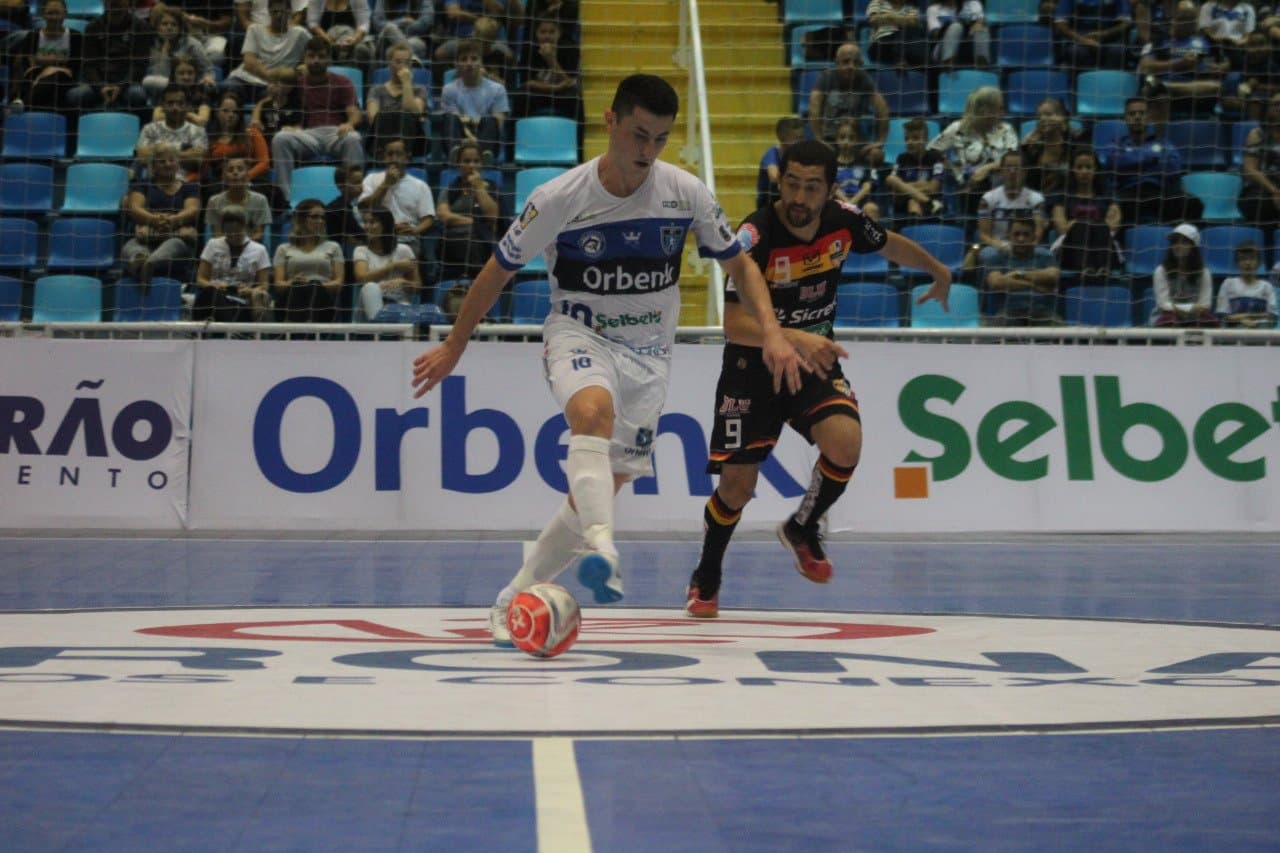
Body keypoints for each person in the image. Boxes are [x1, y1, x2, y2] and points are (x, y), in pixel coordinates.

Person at [409, 74, 808, 644]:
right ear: (611, 122)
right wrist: (455, 344)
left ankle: (514, 593)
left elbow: (741, 266)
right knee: (591, 415)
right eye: (639, 136)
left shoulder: (685, 192)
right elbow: (497, 270)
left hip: (650, 357)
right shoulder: (558, 199)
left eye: (660, 140)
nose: (647, 152)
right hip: (579, 335)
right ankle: (604, 546)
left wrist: (771, 332)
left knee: (599, 484)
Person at [686, 139, 953, 617]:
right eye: (791, 184)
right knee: (737, 490)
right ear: (778, 181)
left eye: (812, 188)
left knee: (846, 442)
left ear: (830, 191)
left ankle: (802, 528)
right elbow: (733, 325)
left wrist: (936, 268)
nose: (799, 198)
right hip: (752, 368)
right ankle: (707, 576)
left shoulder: (844, 221)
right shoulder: (755, 234)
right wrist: (793, 337)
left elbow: (887, 241)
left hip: (812, 363)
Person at [271, 37, 366, 204]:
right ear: (305, 58)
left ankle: (354, 201)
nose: (316, 61)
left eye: (321, 56)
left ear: (329, 58)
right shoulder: (298, 84)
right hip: (307, 135)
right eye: (311, 56)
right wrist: (292, 128)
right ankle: (285, 199)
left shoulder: (343, 82)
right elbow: (275, 99)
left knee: (353, 138)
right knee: (280, 138)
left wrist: (349, 124)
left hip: (335, 133)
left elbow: (355, 112)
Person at [1103, 96, 1203, 224]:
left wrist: (1133, 162)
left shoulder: (1163, 143)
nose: (1137, 117)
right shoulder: (1116, 144)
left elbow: (1174, 166)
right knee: (1110, 207)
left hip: (1159, 192)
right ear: (1125, 118)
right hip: (1128, 193)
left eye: (1142, 113)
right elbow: (1114, 163)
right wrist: (1152, 158)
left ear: (1148, 117)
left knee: (1194, 204)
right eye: (1132, 113)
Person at [928, 86, 1019, 218]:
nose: (1003, 113)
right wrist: (953, 168)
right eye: (1000, 108)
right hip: (968, 190)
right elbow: (932, 150)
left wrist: (987, 168)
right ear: (985, 110)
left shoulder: (1006, 129)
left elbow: (1015, 157)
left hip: (1001, 188)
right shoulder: (957, 128)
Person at [122, 144, 201, 286]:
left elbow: (192, 210)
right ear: (153, 166)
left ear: (178, 164)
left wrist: (171, 220)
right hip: (156, 237)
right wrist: (155, 220)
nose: (168, 164)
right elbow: (134, 208)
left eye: (172, 160)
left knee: (174, 244)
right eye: (162, 161)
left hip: (173, 241)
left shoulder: (190, 187)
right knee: (131, 247)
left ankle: (150, 263)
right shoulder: (142, 185)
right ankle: (141, 262)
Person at [1138, 0, 1230, 120]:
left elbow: (1226, 63)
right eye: (1183, 18)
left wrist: (1219, 68)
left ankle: (1167, 86)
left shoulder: (1207, 41)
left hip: (1198, 93)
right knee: (1151, 85)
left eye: (1191, 18)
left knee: (1216, 87)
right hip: (1167, 97)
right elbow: (1145, 66)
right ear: (1173, 18)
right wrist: (1180, 64)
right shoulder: (1159, 40)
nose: (1188, 22)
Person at [357, 137, 436, 265]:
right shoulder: (371, 179)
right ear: (383, 158)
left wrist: (415, 230)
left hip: (407, 240)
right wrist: (385, 184)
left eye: (399, 154)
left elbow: (428, 218)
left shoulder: (420, 185)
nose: (394, 158)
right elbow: (363, 207)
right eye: (390, 154)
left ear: (407, 158)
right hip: (377, 239)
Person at [1051, 148, 1125, 283]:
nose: (1084, 171)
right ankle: (1085, 269)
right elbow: (1062, 228)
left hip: (1102, 246)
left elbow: (1113, 226)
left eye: (1088, 167)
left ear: (1095, 169)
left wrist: (1075, 223)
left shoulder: (1107, 197)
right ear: (1072, 170)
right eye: (1079, 167)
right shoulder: (1062, 197)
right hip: (1071, 250)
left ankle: (1103, 269)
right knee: (1082, 226)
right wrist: (1084, 224)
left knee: (1094, 226)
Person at [67, 0, 153, 114]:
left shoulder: (141, 27)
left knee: (138, 96)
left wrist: (121, 86)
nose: (114, 1)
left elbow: (139, 65)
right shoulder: (92, 27)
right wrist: (101, 87)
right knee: (74, 96)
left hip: (127, 84)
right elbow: (89, 65)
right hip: (98, 84)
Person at [806, 42, 889, 159]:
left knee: (876, 156)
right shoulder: (826, 77)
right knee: (816, 157)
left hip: (853, 139)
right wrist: (819, 140)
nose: (851, 66)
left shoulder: (864, 78)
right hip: (829, 139)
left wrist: (881, 141)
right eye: (846, 61)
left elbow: (883, 109)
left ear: (861, 64)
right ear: (837, 63)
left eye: (856, 62)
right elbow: (814, 108)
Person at [193, 204, 274, 322]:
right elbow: (200, 279)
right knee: (210, 294)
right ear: (222, 229)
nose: (233, 236)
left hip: (242, 299)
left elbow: (264, 285)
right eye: (228, 232)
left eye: (237, 232)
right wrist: (214, 285)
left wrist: (250, 291)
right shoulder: (212, 244)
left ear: (245, 227)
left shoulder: (259, 250)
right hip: (215, 295)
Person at [223, 0, 311, 105]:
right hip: (244, 80)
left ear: (289, 11)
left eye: (282, 11)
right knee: (228, 94)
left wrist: (302, 68)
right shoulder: (254, 29)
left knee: (275, 100)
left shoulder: (300, 34)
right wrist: (271, 77)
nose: (279, 15)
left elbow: (316, 51)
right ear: (269, 11)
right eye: (275, 11)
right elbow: (249, 62)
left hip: (275, 88)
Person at [979, 215, 1062, 326]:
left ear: (1034, 237)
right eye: (1016, 234)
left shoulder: (1045, 256)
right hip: (1008, 312)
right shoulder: (997, 258)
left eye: (1026, 235)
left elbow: (1053, 276)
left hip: (1042, 312)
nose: (1021, 239)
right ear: (1009, 236)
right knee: (991, 336)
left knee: (1065, 334)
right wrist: (1035, 285)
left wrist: (1018, 274)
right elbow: (996, 283)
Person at [273, 198, 344, 322]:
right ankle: (302, 332)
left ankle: (305, 332)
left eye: (322, 218)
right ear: (301, 219)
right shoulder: (283, 249)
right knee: (297, 288)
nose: (320, 221)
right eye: (314, 217)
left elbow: (338, 283)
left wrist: (314, 284)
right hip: (291, 296)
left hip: (323, 299)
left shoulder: (333, 247)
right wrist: (292, 282)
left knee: (314, 287)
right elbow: (278, 284)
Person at [437, 140, 499, 280]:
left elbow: (493, 216)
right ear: (459, 164)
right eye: (466, 161)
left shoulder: (491, 187)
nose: (472, 165)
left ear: (481, 164)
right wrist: (472, 221)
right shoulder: (450, 190)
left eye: (476, 161)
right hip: (455, 241)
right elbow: (443, 215)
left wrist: (479, 188)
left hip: (483, 242)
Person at [440, 37, 510, 160]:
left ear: (481, 62)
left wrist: (469, 121)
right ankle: (456, 154)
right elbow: (454, 122)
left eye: (474, 59)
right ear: (456, 64)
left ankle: (482, 156)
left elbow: (498, 123)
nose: (469, 63)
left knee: (490, 120)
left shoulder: (498, 89)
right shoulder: (449, 89)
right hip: (460, 140)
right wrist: (471, 139)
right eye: (464, 59)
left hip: (488, 139)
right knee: (450, 119)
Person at [9, 0, 81, 115]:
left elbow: (75, 64)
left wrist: (44, 63)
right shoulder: (34, 35)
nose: (54, 17)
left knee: (57, 77)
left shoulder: (75, 36)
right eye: (50, 13)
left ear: (65, 14)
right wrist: (58, 64)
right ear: (43, 14)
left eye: (57, 13)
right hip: (35, 76)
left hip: (62, 79)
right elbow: (28, 63)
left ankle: (22, 106)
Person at [353, 204, 421, 320]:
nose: (367, 227)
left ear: (385, 224)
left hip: (398, 301)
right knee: (370, 287)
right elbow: (361, 278)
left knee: (405, 310)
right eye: (365, 222)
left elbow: (418, 286)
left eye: (372, 222)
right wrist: (393, 266)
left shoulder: (404, 250)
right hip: (369, 306)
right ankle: (379, 327)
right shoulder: (361, 250)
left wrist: (404, 282)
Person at [365, 42, 430, 157]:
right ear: (390, 64)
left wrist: (406, 83)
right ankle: (389, 154)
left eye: (406, 62)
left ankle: (403, 154)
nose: (402, 66)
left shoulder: (420, 89)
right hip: (381, 143)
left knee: (407, 116)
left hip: (412, 144)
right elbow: (373, 118)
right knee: (382, 117)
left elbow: (414, 113)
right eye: (398, 62)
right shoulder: (376, 90)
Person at [143, 6, 217, 104]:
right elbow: (159, 77)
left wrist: (207, 79)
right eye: (164, 24)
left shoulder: (192, 44)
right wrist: (164, 54)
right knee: (148, 81)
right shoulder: (152, 45)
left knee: (209, 86)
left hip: (191, 84)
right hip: (165, 87)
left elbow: (208, 70)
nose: (169, 27)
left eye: (174, 24)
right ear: (157, 27)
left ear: (180, 28)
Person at [976, 150, 1047, 252]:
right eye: (1008, 168)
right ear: (1001, 171)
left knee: (1044, 253)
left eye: (1017, 168)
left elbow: (1038, 233)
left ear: (1025, 172)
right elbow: (984, 235)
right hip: (999, 247)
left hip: (1027, 247)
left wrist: (1025, 248)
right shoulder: (987, 199)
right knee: (988, 254)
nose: (1012, 171)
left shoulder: (1037, 199)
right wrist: (1001, 246)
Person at [136, 84, 209, 183]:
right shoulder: (149, 129)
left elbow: (197, 161)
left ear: (187, 105)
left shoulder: (198, 131)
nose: (175, 107)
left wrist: (159, 152)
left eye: (180, 103)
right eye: (170, 103)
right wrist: (183, 150)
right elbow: (143, 158)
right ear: (163, 105)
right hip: (152, 183)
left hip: (185, 185)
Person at [513, 15, 580, 119]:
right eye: (543, 32)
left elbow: (569, 82)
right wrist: (556, 87)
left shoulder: (570, 48)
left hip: (562, 94)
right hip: (537, 92)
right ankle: (514, 134)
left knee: (576, 99)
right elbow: (527, 82)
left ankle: (578, 134)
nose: (547, 36)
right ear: (536, 33)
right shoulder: (529, 49)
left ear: (559, 33)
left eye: (552, 32)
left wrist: (551, 60)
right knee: (520, 97)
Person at [1151, 222, 1218, 326]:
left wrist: (1188, 310)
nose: (1177, 246)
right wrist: (1189, 308)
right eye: (1174, 242)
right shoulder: (1161, 271)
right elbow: (1163, 304)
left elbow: (1205, 304)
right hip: (1168, 315)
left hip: (1195, 316)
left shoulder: (1204, 272)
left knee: (1210, 321)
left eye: (1184, 242)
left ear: (1193, 246)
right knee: (1169, 321)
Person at [1019, 97, 1084, 197]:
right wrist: (1025, 145)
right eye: (1039, 116)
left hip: (1069, 198)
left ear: (1062, 118)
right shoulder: (1033, 148)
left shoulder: (1075, 143)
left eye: (1049, 115)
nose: (1043, 119)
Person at [885, 116, 946, 218]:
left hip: (931, 199)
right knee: (890, 179)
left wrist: (904, 187)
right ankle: (929, 203)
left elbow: (934, 188)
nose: (910, 142)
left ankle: (927, 203)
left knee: (914, 202)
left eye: (915, 138)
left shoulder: (936, 157)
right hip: (904, 203)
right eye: (906, 138)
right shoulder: (902, 158)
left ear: (926, 139)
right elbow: (895, 191)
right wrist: (924, 184)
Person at [1239, 91, 1280, 233]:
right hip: (1261, 189)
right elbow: (1250, 170)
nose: (1279, 108)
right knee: (1259, 205)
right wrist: (1275, 191)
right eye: (1276, 104)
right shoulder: (1257, 134)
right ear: (1269, 108)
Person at [1053, 0, 1133, 70]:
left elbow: (1126, 23)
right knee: (1076, 52)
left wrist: (1104, 35)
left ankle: (1110, 84)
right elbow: (1060, 24)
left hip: (1110, 37)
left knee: (1117, 52)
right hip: (1079, 39)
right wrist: (1084, 41)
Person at [206, 157, 273, 242]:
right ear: (224, 178)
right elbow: (217, 234)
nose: (235, 172)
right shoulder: (214, 201)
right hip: (224, 247)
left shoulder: (260, 200)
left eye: (240, 169)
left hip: (250, 247)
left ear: (248, 176)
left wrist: (241, 245)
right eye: (230, 170)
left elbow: (259, 234)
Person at [1217, 240, 1278, 326]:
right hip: (1232, 334)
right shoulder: (1228, 284)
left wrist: (1246, 316)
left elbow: (1273, 316)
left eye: (1252, 258)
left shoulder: (1266, 286)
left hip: (1261, 332)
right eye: (1243, 259)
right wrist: (1242, 321)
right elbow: (1222, 315)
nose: (1247, 263)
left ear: (1259, 263)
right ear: (1237, 263)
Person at [832, 118, 882, 220]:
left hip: (860, 202)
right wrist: (847, 203)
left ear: (857, 140)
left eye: (851, 138)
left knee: (872, 208)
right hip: (837, 203)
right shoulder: (831, 163)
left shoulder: (864, 162)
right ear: (836, 139)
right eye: (842, 137)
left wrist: (853, 203)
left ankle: (871, 236)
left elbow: (868, 185)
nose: (846, 142)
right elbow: (833, 187)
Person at [757, 116, 806, 209]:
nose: (801, 142)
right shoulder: (772, 153)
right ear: (783, 138)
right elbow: (774, 177)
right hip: (767, 206)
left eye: (802, 138)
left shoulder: (799, 155)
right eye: (797, 138)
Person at [305, 0, 371, 67]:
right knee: (321, 50)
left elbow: (364, 24)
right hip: (325, 40)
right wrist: (327, 39)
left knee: (361, 50)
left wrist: (354, 39)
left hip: (352, 40)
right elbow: (312, 23)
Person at [926, 0, 991, 67]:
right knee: (956, 27)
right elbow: (935, 34)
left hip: (967, 45)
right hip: (943, 48)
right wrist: (951, 26)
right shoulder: (933, 9)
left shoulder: (971, 4)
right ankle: (948, 65)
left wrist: (977, 23)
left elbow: (980, 21)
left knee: (981, 29)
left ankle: (982, 65)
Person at [367, 0, 433, 64]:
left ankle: (411, 62)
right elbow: (377, 24)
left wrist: (399, 32)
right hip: (387, 41)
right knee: (390, 28)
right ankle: (412, 59)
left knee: (416, 44)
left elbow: (425, 22)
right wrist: (403, 21)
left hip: (413, 39)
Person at [866, 0, 928, 67]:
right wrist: (902, 20)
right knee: (905, 31)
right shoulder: (878, 2)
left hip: (904, 45)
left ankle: (901, 58)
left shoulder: (911, 8)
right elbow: (873, 20)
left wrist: (889, 17)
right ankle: (900, 59)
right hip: (881, 44)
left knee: (909, 32)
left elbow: (913, 22)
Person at [325, 162, 368, 250]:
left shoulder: (349, 204)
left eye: (361, 181)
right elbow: (360, 234)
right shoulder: (340, 208)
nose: (361, 186)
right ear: (341, 186)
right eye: (356, 182)